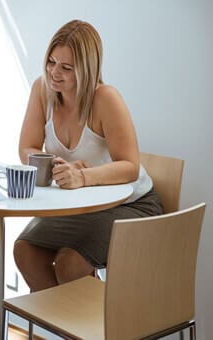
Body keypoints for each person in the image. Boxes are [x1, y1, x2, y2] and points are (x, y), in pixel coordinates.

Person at [14, 19, 163, 292]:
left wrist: (82, 176)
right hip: (83, 208)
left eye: (66, 68)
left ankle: (89, 331)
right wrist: (59, 165)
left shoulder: (106, 98)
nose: (54, 73)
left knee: (70, 262)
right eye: (51, 61)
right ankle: (62, 330)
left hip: (132, 205)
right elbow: (27, 148)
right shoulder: (42, 90)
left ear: (87, 68)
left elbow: (130, 167)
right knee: (25, 250)